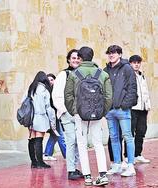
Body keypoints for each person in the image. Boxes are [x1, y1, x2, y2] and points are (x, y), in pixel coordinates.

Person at [64, 46, 112, 186]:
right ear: (92, 56)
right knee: (98, 143)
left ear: (80, 58)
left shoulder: (74, 74)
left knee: (82, 144)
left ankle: (87, 177)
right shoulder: (102, 74)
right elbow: (109, 97)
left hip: (80, 114)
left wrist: (74, 111)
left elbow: (68, 96)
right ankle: (102, 174)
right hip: (97, 113)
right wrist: (102, 112)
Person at [104, 45, 138, 177]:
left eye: (113, 53)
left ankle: (130, 165)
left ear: (119, 54)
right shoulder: (105, 70)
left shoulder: (127, 68)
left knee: (128, 137)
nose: (111, 55)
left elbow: (132, 88)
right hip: (110, 111)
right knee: (114, 138)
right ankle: (117, 164)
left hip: (123, 110)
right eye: (109, 53)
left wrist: (125, 105)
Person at [52, 49, 83, 180]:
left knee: (78, 142)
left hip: (80, 114)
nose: (76, 60)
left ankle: (75, 167)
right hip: (67, 113)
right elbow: (56, 94)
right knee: (71, 141)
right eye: (73, 58)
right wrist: (63, 110)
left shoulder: (82, 74)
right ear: (69, 60)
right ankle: (71, 170)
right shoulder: (63, 75)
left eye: (78, 58)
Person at [124, 55, 151, 163]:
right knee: (130, 132)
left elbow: (145, 92)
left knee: (141, 131)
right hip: (133, 107)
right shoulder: (127, 75)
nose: (136, 64)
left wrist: (147, 105)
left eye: (138, 62)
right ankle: (127, 156)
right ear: (130, 63)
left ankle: (137, 154)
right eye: (134, 62)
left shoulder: (141, 75)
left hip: (143, 108)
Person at [27, 71, 56, 169]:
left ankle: (33, 162)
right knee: (39, 140)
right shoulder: (44, 90)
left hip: (31, 117)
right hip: (41, 117)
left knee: (31, 139)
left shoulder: (31, 89)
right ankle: (40, 162)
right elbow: (48, 107)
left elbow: (23, 101)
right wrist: (52, 120)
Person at [43, 73, 66, 160]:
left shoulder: (55, 90)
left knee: (54, 135)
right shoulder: (47, 91)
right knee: (60, 136)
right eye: (48, 80)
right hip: (53, 117)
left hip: (57, 116)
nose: (50, 82)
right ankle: (67, 155)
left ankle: (47, 154)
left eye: (52, 80)